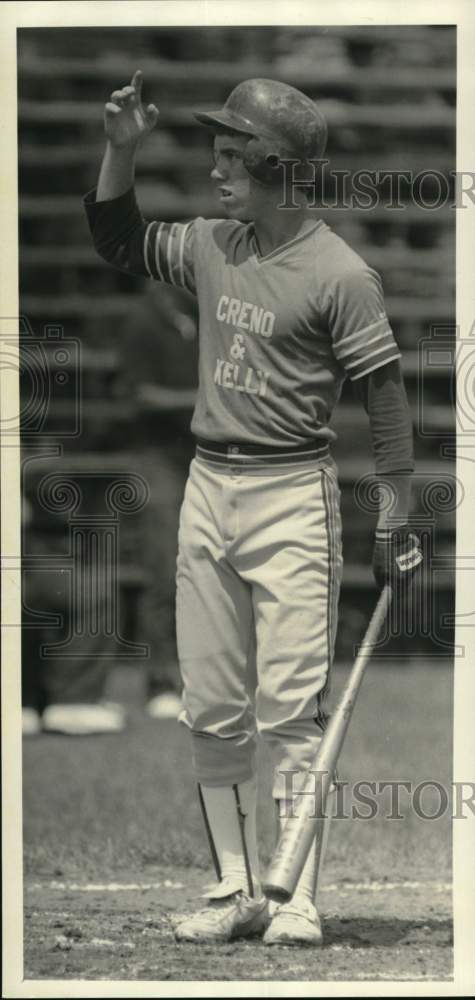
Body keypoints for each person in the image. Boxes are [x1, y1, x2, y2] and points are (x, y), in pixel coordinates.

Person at [85, 72, 422, 946]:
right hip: (207, 485)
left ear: (277, 163)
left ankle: (295, 897)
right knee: (210, 705)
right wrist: (120, 147)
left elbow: (384, 401)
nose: (214, 168)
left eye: (231, 153)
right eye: (215, 151)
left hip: (290, 495)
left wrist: (396, 511)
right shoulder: (210, 243)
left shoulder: (341, 273)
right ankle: (234, 890)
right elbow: (117, 238)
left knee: (289, 708)